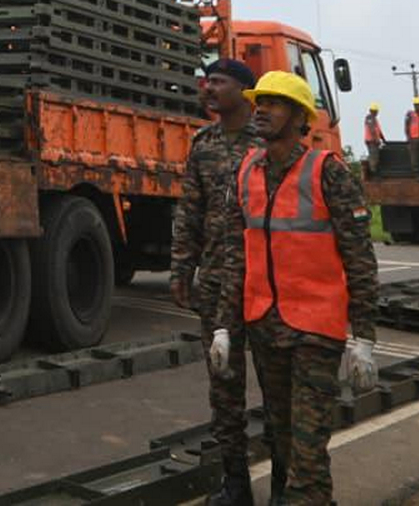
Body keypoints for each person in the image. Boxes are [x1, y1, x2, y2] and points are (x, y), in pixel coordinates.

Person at [218, 70, 380, 506]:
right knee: (283, 440)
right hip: (265, 327)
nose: (262, 110)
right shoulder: (246, 172)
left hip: (315, 332)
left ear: (299, 116)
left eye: (275, 103)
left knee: (307, 451)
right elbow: (238, 255)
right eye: (261, 102)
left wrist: (363, 337)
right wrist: (222, 327)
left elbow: (360, 260)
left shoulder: (328, 173)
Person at [169, 58, 259, 506]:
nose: (208, 89)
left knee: (279, 386)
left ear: (245, 90)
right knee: (224, 388)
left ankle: (287, 482)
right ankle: (236, 484)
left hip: (264, 282)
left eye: (218, 83)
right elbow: (190, 212)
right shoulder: (202, 143)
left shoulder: (269, 141)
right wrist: (182, 268)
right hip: (217, 283)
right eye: (206, 83)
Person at [363, 102, 385, 174]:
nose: (376, 113)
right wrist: (376, 139)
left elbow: (378, 130)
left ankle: (374, 170)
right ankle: (373, 172)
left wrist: (383, 138)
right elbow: (372, 130)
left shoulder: (374, 119)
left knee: (375, 155)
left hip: (374, 140)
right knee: (373, 156)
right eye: (375, 111)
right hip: (371, 140)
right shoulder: (370, 118)